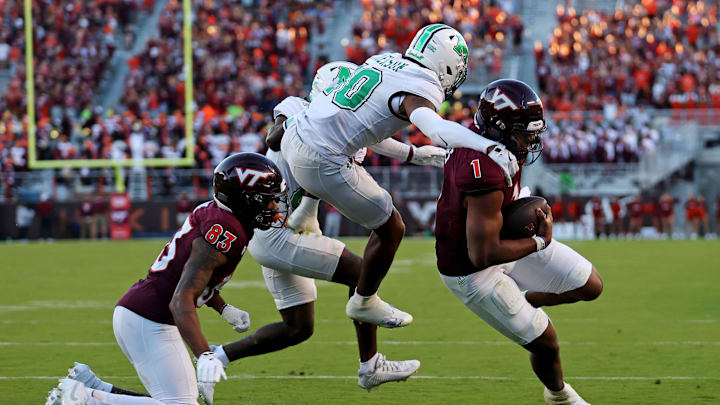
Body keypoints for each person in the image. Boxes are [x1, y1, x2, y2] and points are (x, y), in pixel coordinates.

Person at [280, 24, 519, 327]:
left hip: (297, 136)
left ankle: (305, 213)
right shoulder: (422, 83)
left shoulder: (384, 60)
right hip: (320, 158)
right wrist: (488, 147)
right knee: (392, 227)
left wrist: (413, 154)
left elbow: (362, 126)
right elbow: (434, 128)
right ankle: (364, 301)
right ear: (444, 60)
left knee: (351, 150)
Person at [45, 153, 286, 405]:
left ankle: (93, 386)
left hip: (140, 313)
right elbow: (181, 298)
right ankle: (82, 399)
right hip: (149, 320)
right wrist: (204, 355)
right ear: (244, 199)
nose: (272, 207)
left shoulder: (217, 214)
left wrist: (222, 307)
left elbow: (193, 275)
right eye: (265, 200)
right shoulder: (225, 230)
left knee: (173, 401)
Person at [435, 79, 602, 405]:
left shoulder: (496, 144)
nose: (532, 140)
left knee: (591, 285)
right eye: (525, 132)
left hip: (501, 236)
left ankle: (529, 298)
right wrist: (538, 242)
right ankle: (559, 396)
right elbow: (483, 254)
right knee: (546, 342)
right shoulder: (484, 169)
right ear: (498, 128)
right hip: (470, 269)